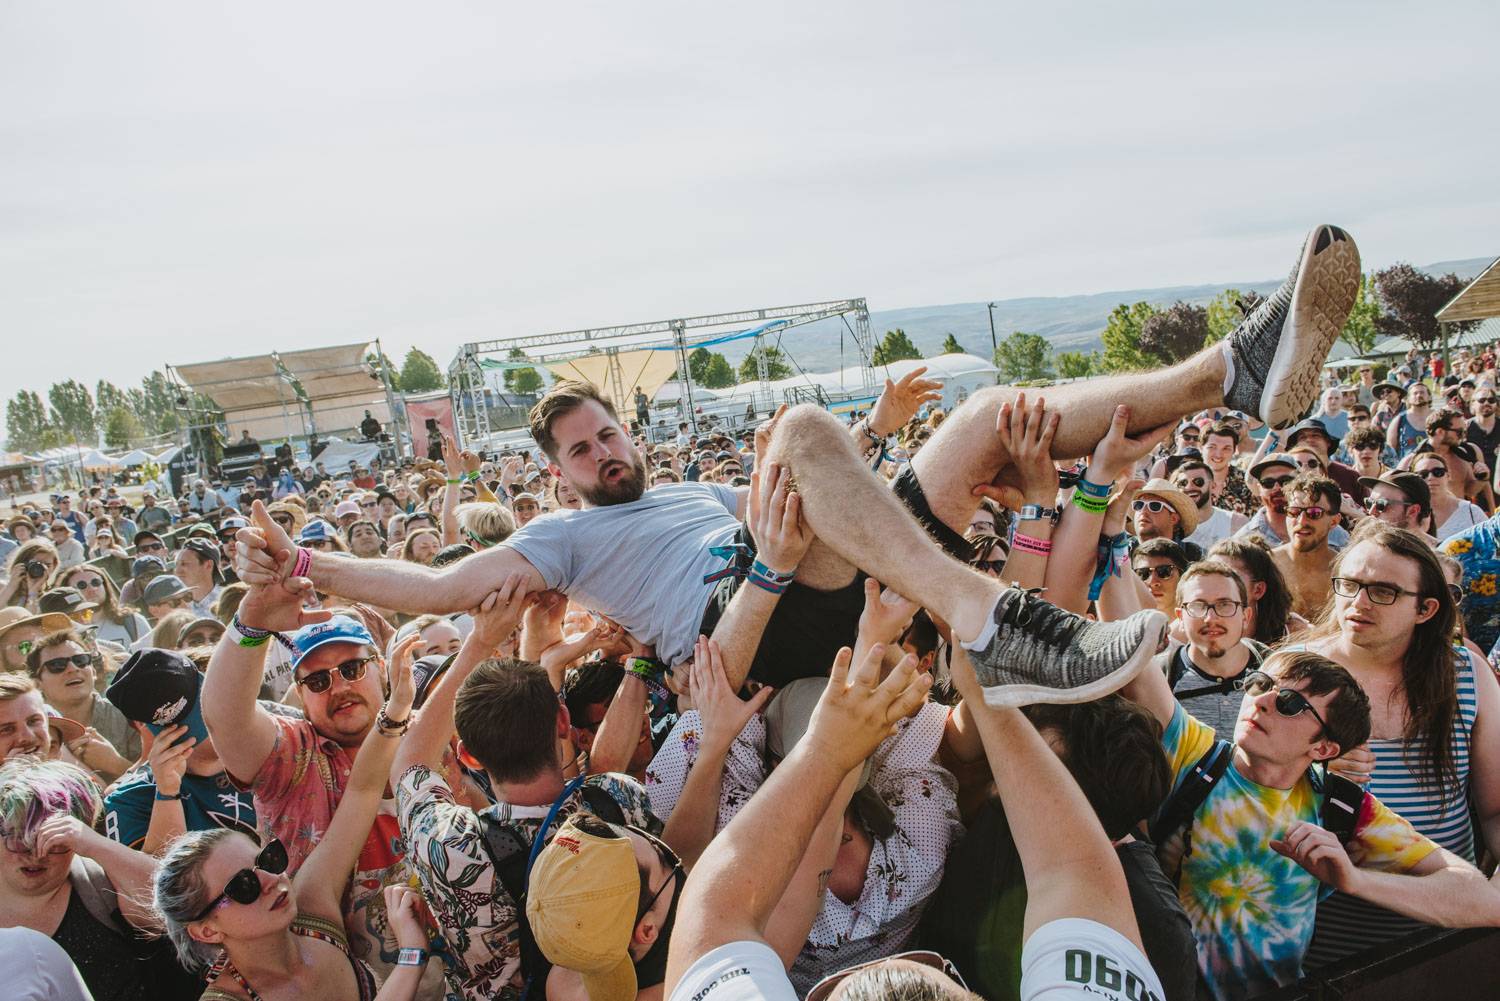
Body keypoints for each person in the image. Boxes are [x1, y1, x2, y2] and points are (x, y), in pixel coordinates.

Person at [236, 225, 1360, 698]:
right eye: (584, 450)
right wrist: (314, 570)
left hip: (812, 567)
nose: (606, 452)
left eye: (611, 433)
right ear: (562, 476)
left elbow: (837, 497)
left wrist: (876, 429)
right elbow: (431, 588)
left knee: (982, 421)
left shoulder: (678, 484)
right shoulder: (560, 541)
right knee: (798, 437)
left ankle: (1232, 371)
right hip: (757, 623)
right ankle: (1005, 627)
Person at [664, 634, 1166, 1001]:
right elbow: (1073, 866)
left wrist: (731, 750)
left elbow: (707, 908)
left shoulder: (915, 816)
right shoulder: (925, 833)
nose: (1005, 785)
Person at [1122, 640, 1500, 1000]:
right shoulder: (1195, 754)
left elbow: (1483, 901)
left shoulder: (1340, 806)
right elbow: (1130, 650)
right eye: (1260, 684)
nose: (1263, 700)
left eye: (1290, 703)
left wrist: (1356, 880)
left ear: (1323, 748)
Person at [391, 576, 660, 1001]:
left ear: (468, 757)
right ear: (563, 723)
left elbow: (409, 763)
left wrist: (479, 642)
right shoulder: (621, 802)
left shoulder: (448, 844)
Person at [200, 579, 457, 993]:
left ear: (381, 668)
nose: (338, 687)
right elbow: (225, 718)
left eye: (352, 669)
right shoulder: (291, 755)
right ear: (300, 696)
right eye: (318, 681)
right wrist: (251, 622)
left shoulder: (432, 733)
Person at [153, 647, 428, 1001]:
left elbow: (363, 789)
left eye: (267, 860)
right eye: (244, 886)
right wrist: (411, 956)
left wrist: (397, 708)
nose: (273, 881)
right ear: (205, 931)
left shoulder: (311, 909)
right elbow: (228, 716)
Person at [1297, 522, 1500, 967]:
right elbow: (1245, 796)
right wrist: (1306, 771)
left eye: (1383, 591)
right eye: (1349, 584)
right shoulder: (1296, 675)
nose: (1359, 602)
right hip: (1322, 948)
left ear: (1426, 609)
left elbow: (1494, 809)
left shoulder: (1467, 674)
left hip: (1446, 937)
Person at [0, 757, 199, 1000]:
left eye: (53, 841)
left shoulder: (101, 885)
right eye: (19, 837)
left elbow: (176, 905)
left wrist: (94, 843)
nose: (36, 854)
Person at [102, 649, 258, 856]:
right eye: (199, 725)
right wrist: (167, 794)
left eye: (210, 704)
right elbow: (150, 882)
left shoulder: (273, 744)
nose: (217, 721)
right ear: (149, 729)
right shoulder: (130, 798)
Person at [1158, 561, 1264, 741]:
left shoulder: (1274, 671)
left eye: (1224, 605)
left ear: (1245, 616)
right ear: (1180, 618)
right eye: (1198, 606)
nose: (1210, 618)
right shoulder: (1160, 678)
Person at [26, 629, 136, 778]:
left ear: (94, 672)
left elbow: (161, 783)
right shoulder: (29, 730)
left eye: (81, 661)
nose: (73, 669)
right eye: (57, 665)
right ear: (37, 683)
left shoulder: (130, 717)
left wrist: (115, 763)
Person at [1206, 538, 1304, 646]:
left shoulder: (1293, 635)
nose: (1216, 583)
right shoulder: (1192, 628)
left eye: (1230, 576)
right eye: (1209, 574)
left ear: (1258, 590)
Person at [1270, 473, 1339, 619]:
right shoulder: (1268, 565)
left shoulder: (1343, 571)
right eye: (1294, 512)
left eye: (1314, 513)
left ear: (1334, 521)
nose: (1301, 521)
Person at [1173, 459, 1243, 550]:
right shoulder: (1171, 524)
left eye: (1198, 481)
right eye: (1183, 483)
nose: (1189, 487)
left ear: (1213, 486)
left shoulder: (1235, 522)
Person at [1414, 453, 1485, 541]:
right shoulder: (1408, 513)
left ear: (1448, 476)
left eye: (1438, 472)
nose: (1430, 478)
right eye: (1423, 474)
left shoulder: (1471, 511)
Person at [1359, 470, 1434, 536]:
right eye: (1369, 503)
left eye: (1381, 505)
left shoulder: (1438, 551)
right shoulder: (1361, 548)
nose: (1371, 512)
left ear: (1412, 511)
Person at [1132, 539, 1188, 616]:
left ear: (1182, 577)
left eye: (1164, 572)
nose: (1153, 582)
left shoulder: (1200, 625)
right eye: (1143, 573)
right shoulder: (1122, 624)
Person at [1388, 380, 1432, 460]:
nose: (1418, 395)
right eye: (1415, 393)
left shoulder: (1438, 418)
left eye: (1422, 392)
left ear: (1429, 397)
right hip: (1408, 469)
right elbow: (1391, 451)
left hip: (1435, 468)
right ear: (1408, 399)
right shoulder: (1399, 420)